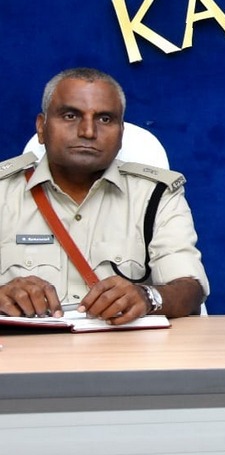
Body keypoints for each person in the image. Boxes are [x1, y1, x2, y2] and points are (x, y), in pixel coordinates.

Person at [0, 68, 209, 324]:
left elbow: (190, 290)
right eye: (70, 115)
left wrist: (148, 297)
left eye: (105, 119)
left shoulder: (155, 195)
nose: (88, 131)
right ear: (41, 128)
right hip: (25, 348)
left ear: (121, 133)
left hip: (123, 346)